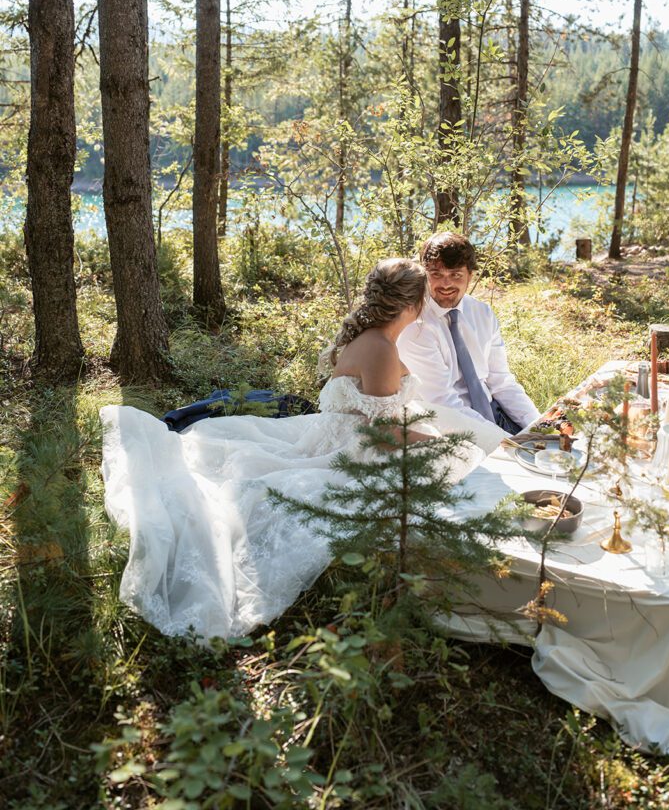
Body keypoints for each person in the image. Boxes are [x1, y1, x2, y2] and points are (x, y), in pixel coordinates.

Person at [100, 258, 484, 642]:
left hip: (331, 434)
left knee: (463, 447)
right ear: (414, 305)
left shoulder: (375, 338)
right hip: (352, 452)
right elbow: (381, 435)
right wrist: (439, 443)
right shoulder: (380, 346)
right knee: (460, 455)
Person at [397, 233, 540, 435]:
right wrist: (503, 441)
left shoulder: (483, 313)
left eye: (455, 275)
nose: (446, 284)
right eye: (436, 274)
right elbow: (443, 402)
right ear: (424, 275)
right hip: (447, 427)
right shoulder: (415, 325)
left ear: (470, 276)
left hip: (493, 413)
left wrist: (537, 425)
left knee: (555, 450)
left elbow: (502, 382)